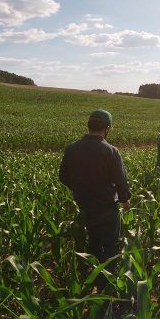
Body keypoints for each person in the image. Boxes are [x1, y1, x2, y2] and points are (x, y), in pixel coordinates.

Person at [59, 109, 131, 288]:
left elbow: (63, 176)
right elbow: (121, 181)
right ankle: (106, 287)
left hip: (85, 208)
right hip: (107, 208)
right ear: (107, 128)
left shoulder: (72, 149)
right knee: (110, 247)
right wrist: (125, 199)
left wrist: (79, 190)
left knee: (93, 243)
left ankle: (91, 279)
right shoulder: (111, 151)